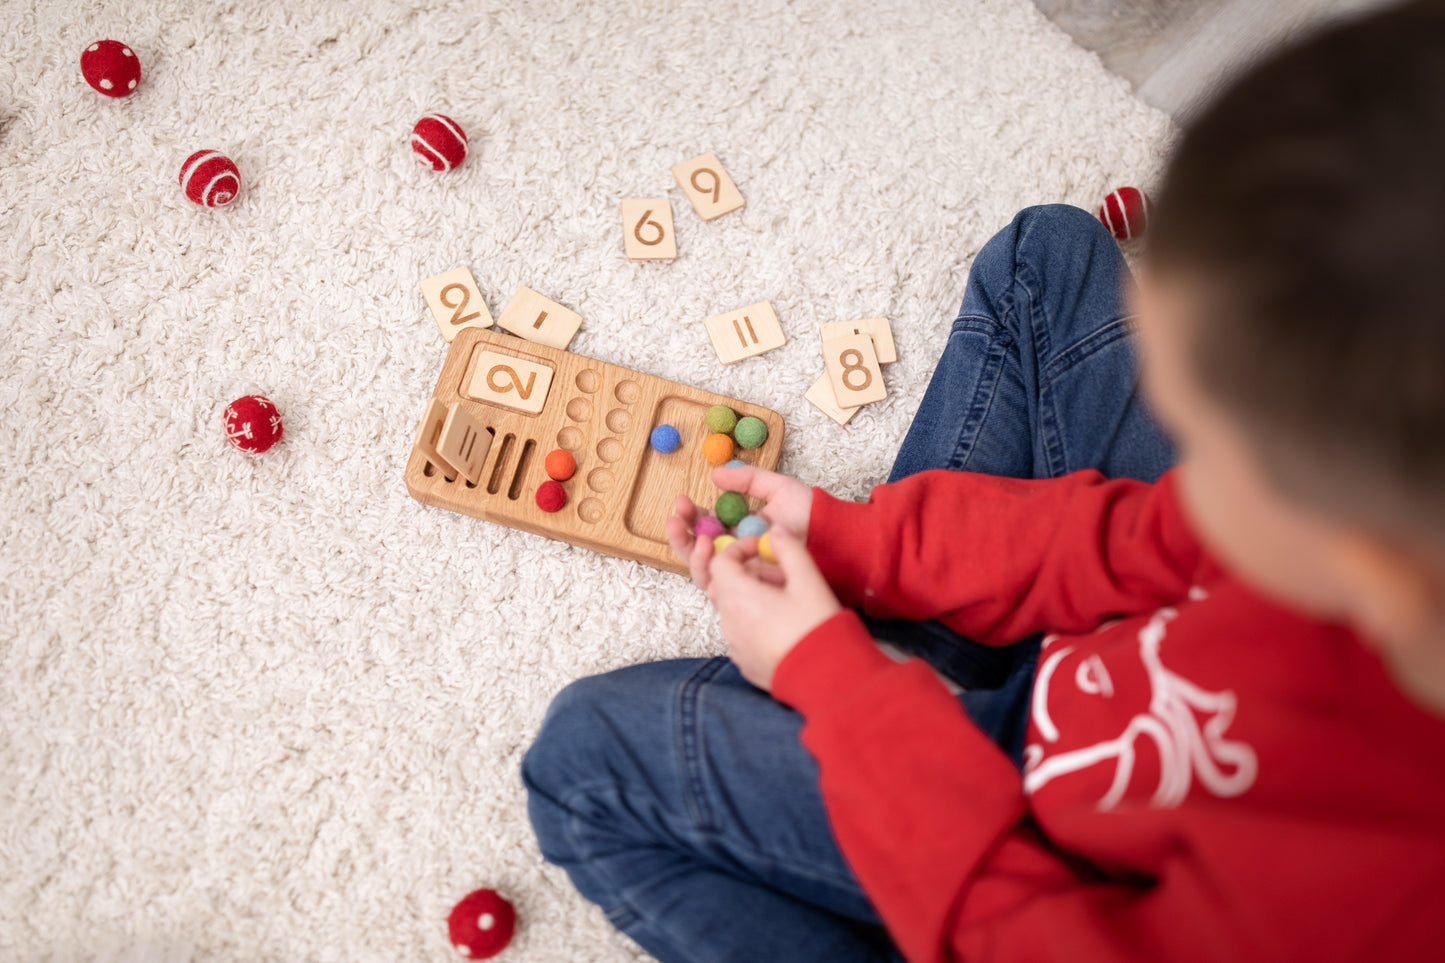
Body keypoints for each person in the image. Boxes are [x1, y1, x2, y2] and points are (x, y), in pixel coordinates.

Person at [522, 2, 1445, 959]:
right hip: (1086, 683)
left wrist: (832, 680)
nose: (1179, 453)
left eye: (1203, 440)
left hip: (1034, 867)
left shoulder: (1375, 897)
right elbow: (1133, 540)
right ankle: (930, 645)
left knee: (583, 762)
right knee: (1044, 259)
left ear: (1358, 552)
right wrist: (867, 545)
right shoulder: (1363, 528)